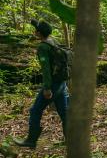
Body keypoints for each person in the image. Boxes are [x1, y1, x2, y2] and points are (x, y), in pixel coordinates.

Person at [14, 19, 69, 148]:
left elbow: (46, 70)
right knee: (64, 112)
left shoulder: (43, 47)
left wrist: (47, 88)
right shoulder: (53, 41)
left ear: (39, 33)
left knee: (35, 110)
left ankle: (31, 140)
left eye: (36, 30)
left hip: (53, 85)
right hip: (62, 83)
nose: (34, 31)